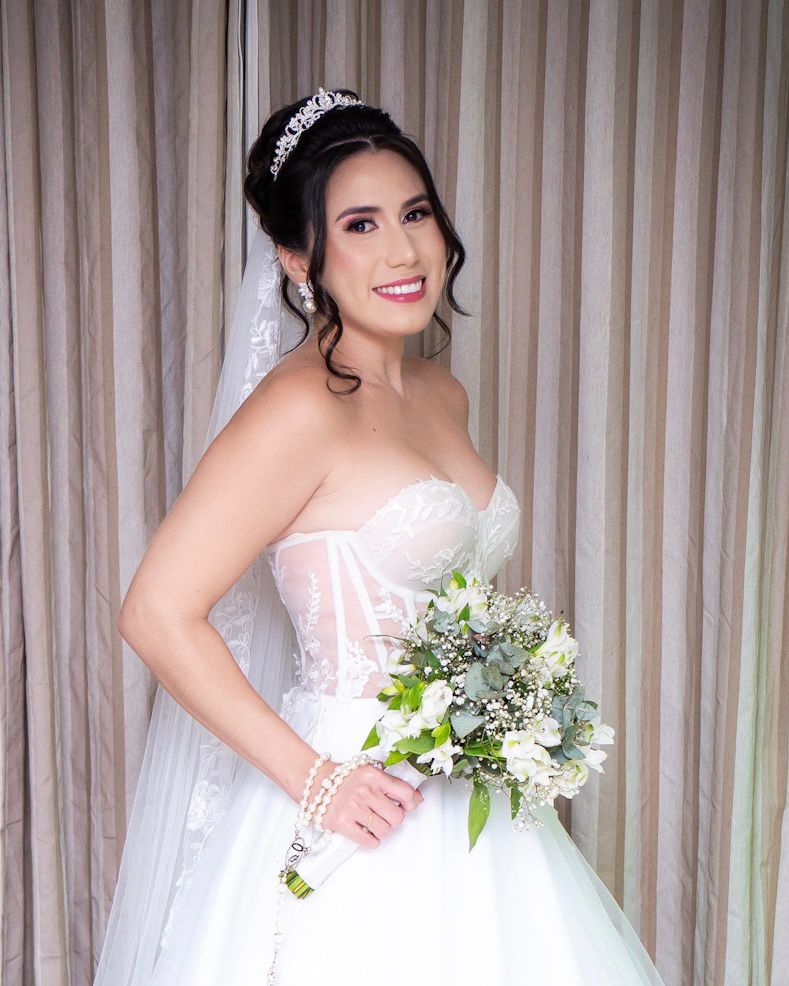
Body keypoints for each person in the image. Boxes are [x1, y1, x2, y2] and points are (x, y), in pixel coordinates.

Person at [93, 87, 666, 985]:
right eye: (359, 225)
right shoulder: (295, 409)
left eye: (415, 213)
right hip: (356, 799)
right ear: (296, 257)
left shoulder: (441, 392)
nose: (403, 251)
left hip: (471, 791)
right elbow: (156, 612)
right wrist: (316, 780)